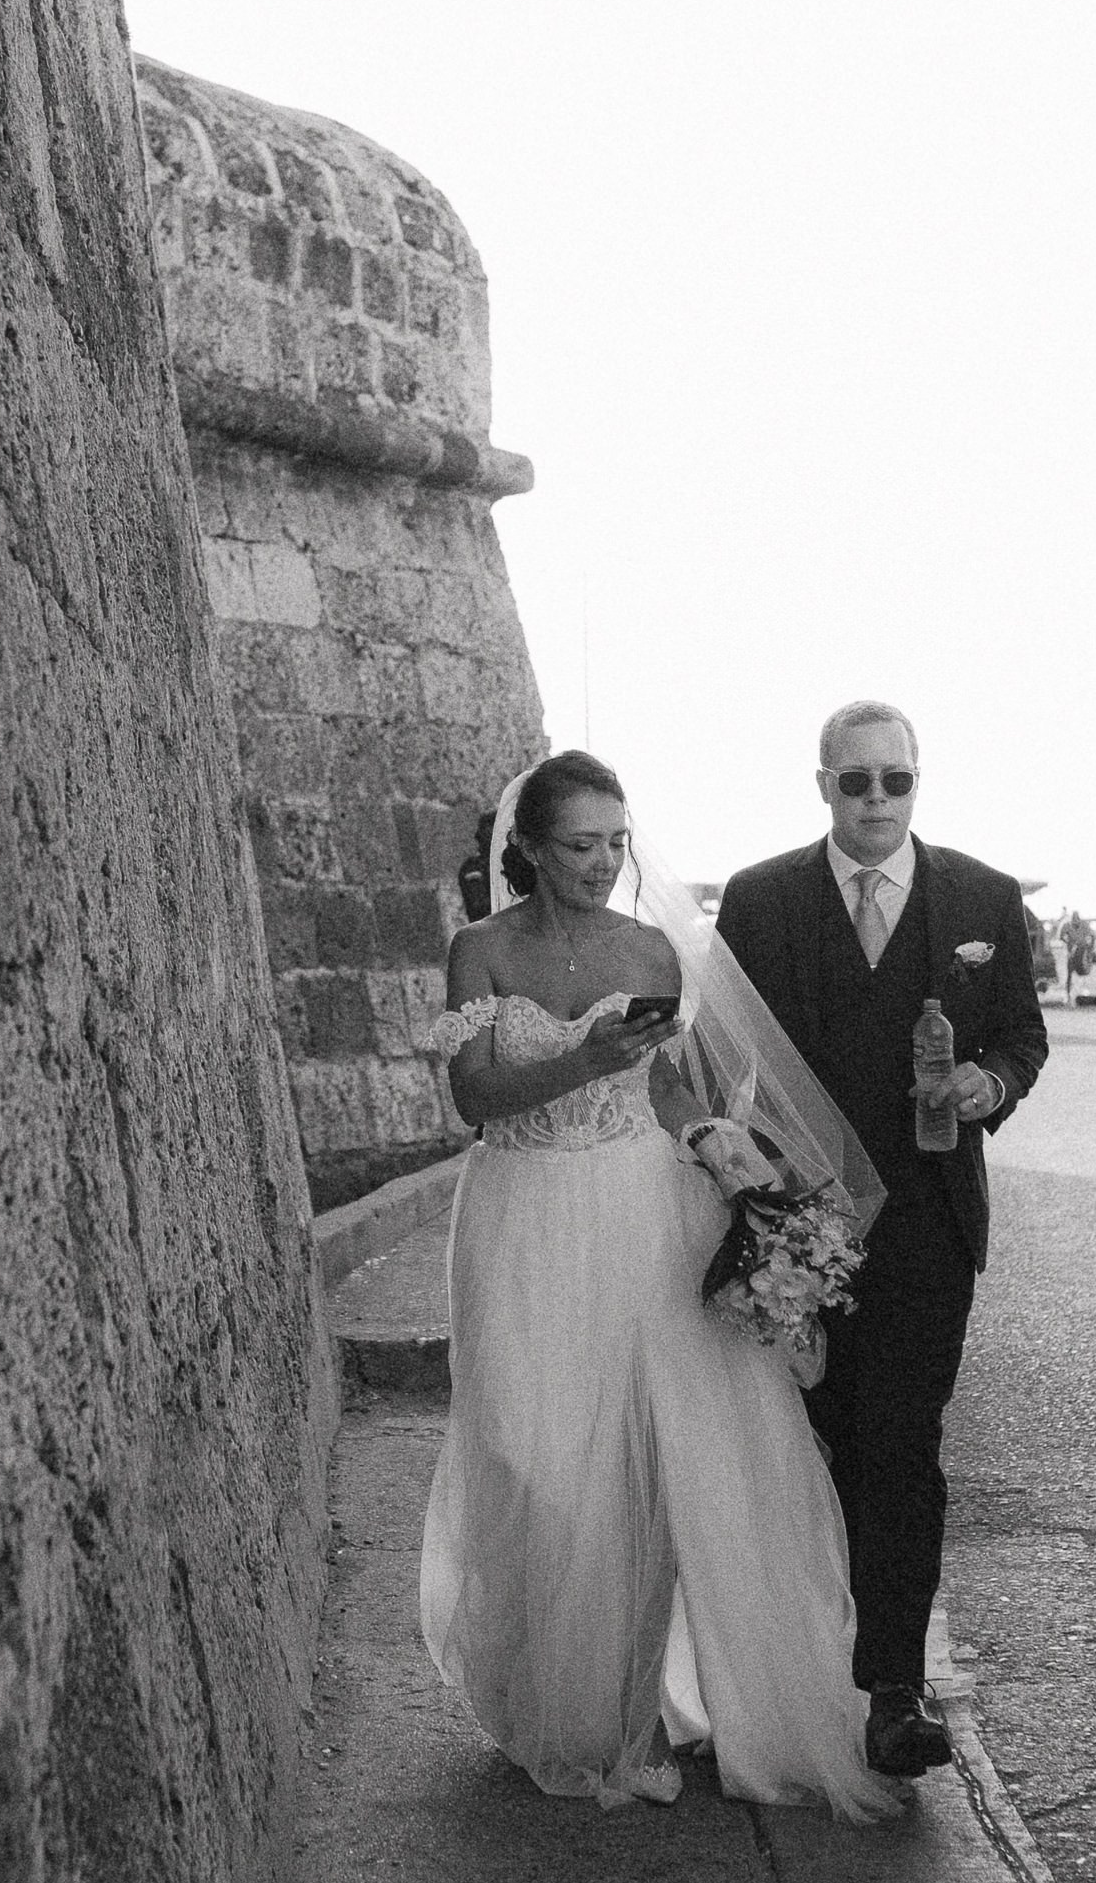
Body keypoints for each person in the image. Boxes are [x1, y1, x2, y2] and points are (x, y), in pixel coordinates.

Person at [420, 750, 904, 1821]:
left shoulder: (646, 947)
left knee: (654, 1457)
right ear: (529, 851)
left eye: (614, 843)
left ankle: (632, 1717)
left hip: (644, 1213)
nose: (601, 864)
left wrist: (717, 1144)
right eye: (579, 846)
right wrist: (581, 1062)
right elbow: (472, 1096)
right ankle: (557, 1695)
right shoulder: (480, 951)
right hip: (524, 1214)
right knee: (538, 1458)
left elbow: (667, 1084)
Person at [715, 702, 1047, 1780]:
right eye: (851, 781)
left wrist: (986, 1079)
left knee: (899, 1448)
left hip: (924, 1227)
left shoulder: (981, 897)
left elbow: (1020, 1034)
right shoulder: (760, 901)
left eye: (891, 781)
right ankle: (793, 1665)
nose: (873, 800)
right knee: (811, 1444)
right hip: (793, 1226)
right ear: (820, 784)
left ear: (917, 782)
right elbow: (719, 1053)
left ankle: (891, 1691)